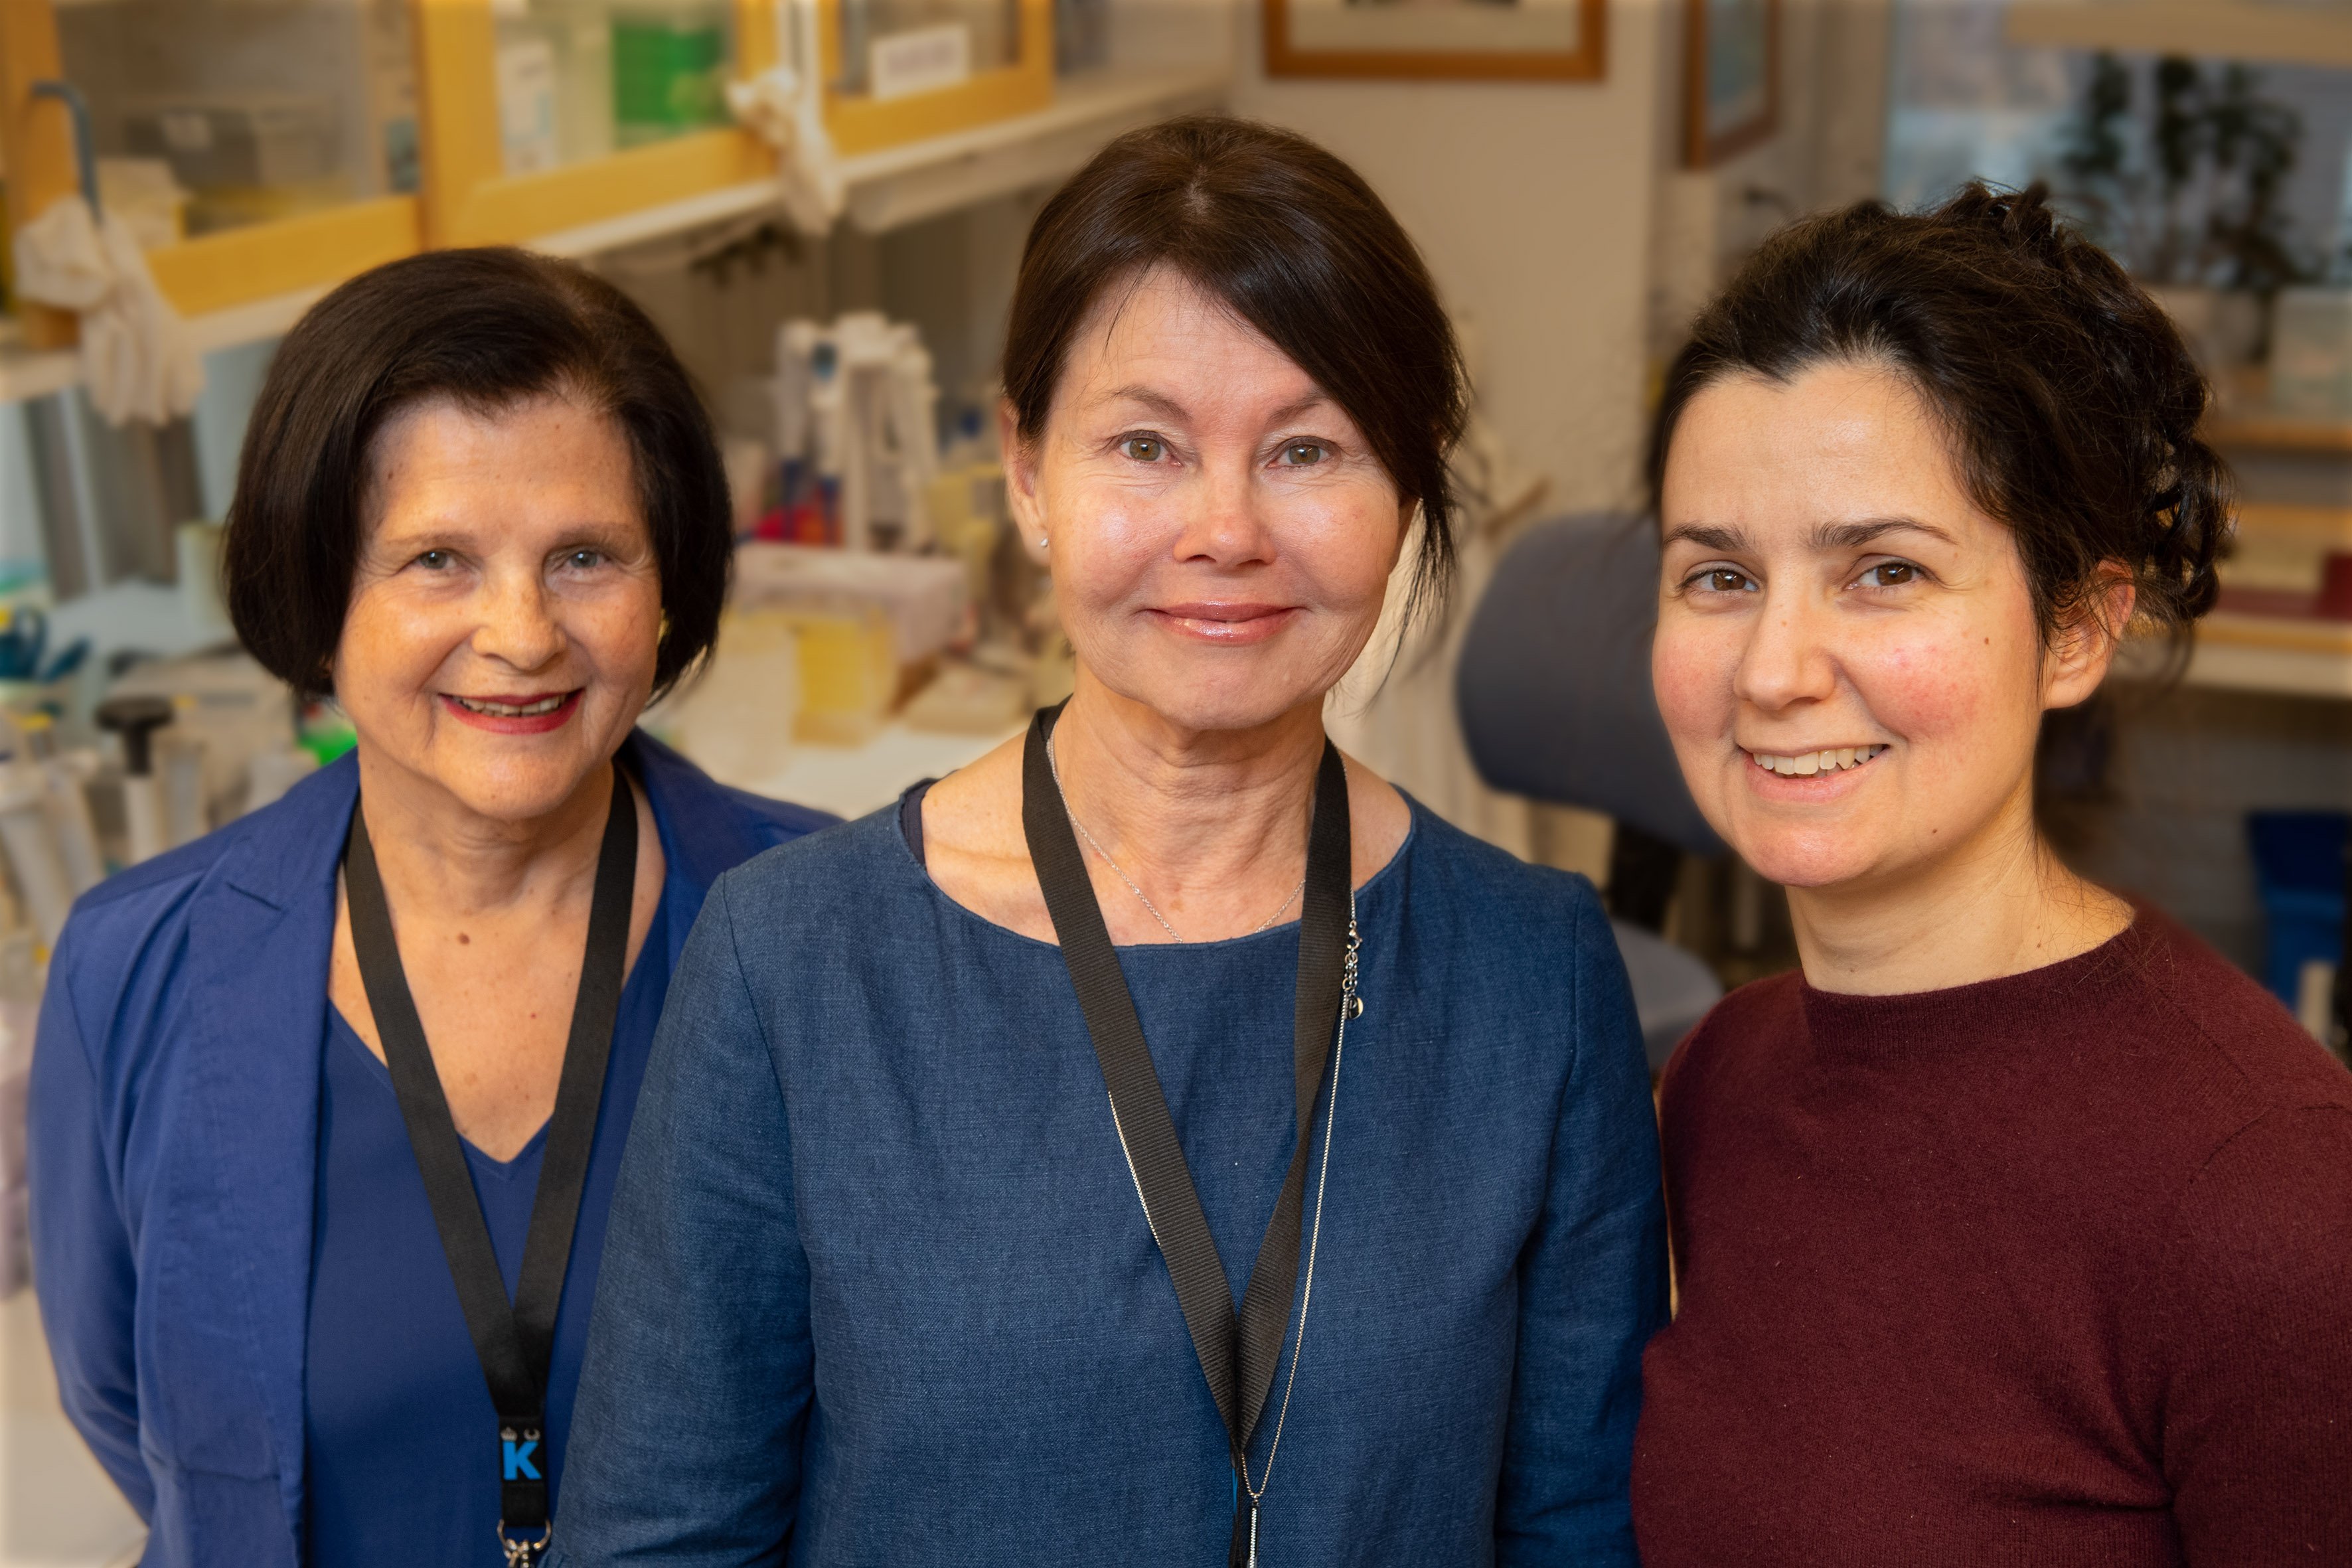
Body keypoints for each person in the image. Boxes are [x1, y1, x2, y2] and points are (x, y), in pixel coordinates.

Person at [549, 115, 1666, 1567]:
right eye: (1145, 443)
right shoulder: (793, 966)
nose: (1224, 528)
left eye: (1306, 448)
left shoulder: (1533, 975)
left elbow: (1574, 1534)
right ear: (1025, 471)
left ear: (1403, 491)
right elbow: (657, 1541)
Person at [27, 248, 832, 1568]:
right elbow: (136, 1410)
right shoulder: (140, 965)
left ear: (668, 584)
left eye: (583, 554)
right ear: (318, 596)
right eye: (436, 559)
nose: (520, 633)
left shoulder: (836, 930)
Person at [1632, 183, 2352, 1564]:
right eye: (1716, 576)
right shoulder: (1720, 1075)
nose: (1774, 670)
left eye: (1883, 572)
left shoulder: (2272, 1198)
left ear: (2075, 627)